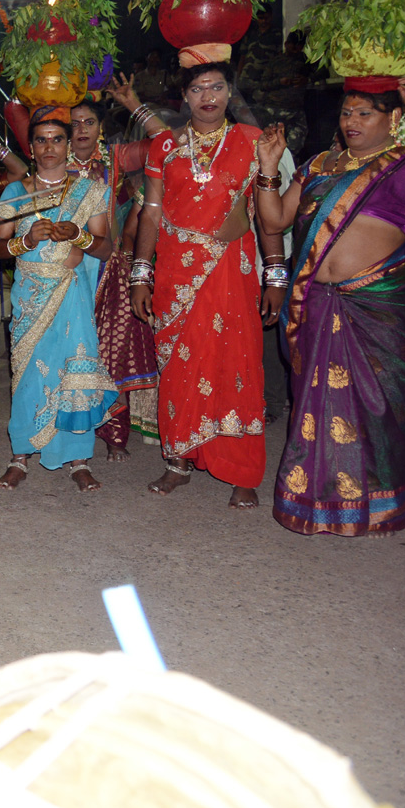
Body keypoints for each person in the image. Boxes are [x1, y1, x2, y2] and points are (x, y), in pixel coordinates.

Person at [256, 84, 405, 535]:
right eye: (348, 113)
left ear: (395, 117)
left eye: (365, 114)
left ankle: (378, 503)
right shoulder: (319, 166)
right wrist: (269, 167)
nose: (352, 122)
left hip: (379, 306)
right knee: (316, 406)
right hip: (315, 302)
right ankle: (314, 502)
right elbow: (273, 221)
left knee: (380, 408)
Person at [131, 62, 285, 510]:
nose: (208, 96)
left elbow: (267, 215)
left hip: (230, 271)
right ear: (184, 96)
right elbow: (151, 213)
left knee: (235, 366)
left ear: (230, 91)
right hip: (175, 275)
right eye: (198, 88)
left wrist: (275, 274)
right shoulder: (164, 145)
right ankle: (179, 460)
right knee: (179, 368)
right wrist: (142, 272)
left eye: (216, 87)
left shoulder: (253, 142)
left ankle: (241, 470)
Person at [0, 106, 116, 492]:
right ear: (30, 148)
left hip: (71, 295)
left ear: (68, 144)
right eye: (42, 140)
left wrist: (77, 235)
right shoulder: (14, 192)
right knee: (29, 373)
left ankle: (78, 459)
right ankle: (20, 456)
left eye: (57, 139)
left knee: (73, 368)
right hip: (31, 296)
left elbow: (105, 248)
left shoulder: (89, 191)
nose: (50, 147)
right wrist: (25, 241)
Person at [68, 82, 167, 461]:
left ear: (101, 128)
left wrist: (135, 104)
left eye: (89, 122)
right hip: (65, 270)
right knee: (71, 354)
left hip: (107, 268)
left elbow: (165, 142)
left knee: (112, 353)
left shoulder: (115, 158)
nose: (81, 129)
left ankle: (113, 434)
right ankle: (69, 430)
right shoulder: (52, 159)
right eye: (74, 123)